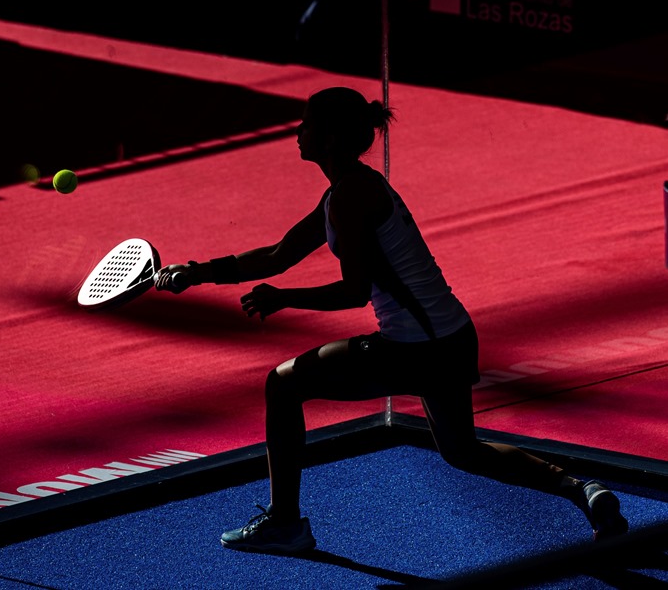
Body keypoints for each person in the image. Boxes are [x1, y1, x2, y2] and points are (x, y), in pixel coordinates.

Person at [154, 86, 628, 554]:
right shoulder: (351, 188)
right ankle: (581, 490)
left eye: (308, 123)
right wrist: (195, 273)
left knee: (283, 384)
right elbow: (279, 254)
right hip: (453, 336)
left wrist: (285, 299)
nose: (298, 131)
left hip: (413, 349)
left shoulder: (348, 198)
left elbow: (354, 292)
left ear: (331, 137)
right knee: (462, 450)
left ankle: (284, 523)